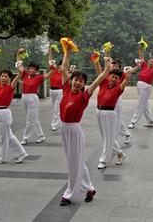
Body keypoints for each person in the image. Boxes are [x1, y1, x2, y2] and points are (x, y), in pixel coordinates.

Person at [58, 49, 111, 206]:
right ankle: (90, 189)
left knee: (74, 163)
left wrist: (107, 69)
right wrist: (67, 52)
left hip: (74, 131)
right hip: (64, 129)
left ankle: (69, 194)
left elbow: (96, 82)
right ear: (71, 80)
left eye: (81, 81)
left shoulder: (83, 96)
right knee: (75, 161)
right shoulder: (66, 88)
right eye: (76, 79)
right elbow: (64, 69)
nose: (78, 82)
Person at [92, 55, 135, 169]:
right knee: (106, 137)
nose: (114, 79)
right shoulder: (103, 82)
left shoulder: (119, 88)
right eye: (112, 77)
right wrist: (97, 61)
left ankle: (103, 160)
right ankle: (120, 154)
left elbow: (125, 80)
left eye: (116, 78)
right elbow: (99, 71)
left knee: (109, 138)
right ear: (109, 76)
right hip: (99, 111)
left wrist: (127, 77)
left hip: (110, 114)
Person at [0, 56, 28, 164]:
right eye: (2, 76)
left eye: (5, 76)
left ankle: (1, 158)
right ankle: (22, 153)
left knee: (3, 137)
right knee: (9, 136)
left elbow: (19, 76)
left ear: (9, 78)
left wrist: (20, 70)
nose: (3, 78)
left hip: (4, 113)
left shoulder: (10, 87)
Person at [17, 49, 54, 145]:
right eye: (31, 68)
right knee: (33, 118)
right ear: (28, 69)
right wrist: (18, 54)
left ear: (36, 71)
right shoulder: (24, 75)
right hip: (24, 97)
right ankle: (41, 136)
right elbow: (19, 65)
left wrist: (53, 67)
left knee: (30, 119)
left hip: (32, 98)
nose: (32, 70)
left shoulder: (38, 77)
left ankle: (25, 138)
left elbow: (49, 75)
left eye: (34, 69)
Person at [128, 46, 153, 129]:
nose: (151, 62)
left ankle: (133, 121)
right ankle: (151, 121)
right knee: (145, 104)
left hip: (146, 87)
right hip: (140, 86)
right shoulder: (144, 65)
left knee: (141, 104)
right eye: (150, 60)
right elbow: (141, 57)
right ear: (148, 61)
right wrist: (140, 49)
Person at [48, 48, 63, 131]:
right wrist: (51, 52)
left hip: (59, 92)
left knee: (56, 109)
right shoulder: (53, 70)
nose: (62, 67)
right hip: (51, 91)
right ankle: (60, 122)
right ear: (58, 65)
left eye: (63, 65)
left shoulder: (64, 73)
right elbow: (50, 60)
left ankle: (54, 125)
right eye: (61, 65)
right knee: (55, 108)